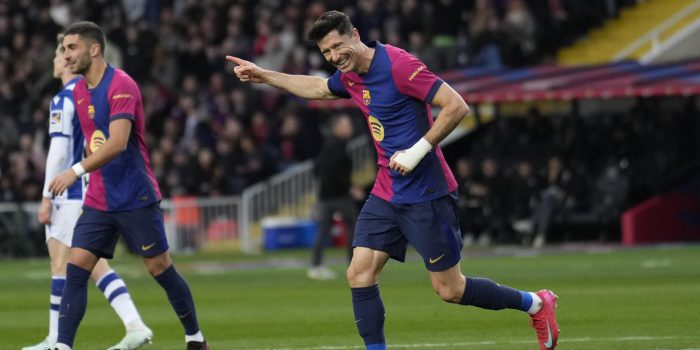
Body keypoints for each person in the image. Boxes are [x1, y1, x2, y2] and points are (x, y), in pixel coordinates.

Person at [226, 10, 559, 350]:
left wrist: (417, 151)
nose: (334, 57)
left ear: (355, 34)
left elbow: (456, 106)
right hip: (387, 190)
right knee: (359, 274)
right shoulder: (350, 75)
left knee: (450, 290)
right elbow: (319, 88)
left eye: (338, 46)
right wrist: (264, 75)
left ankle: (535, 303)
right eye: (326, 53)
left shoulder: (399, 65)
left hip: (427, 192)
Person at [48, 21, 208, 350]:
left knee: (159, 267)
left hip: (135, 194)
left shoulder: (121, 84)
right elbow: (93, 141)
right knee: (76, 268)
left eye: (71, 48)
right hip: (99, 199)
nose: (65, 55)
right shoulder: (78, 91)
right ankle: (62, 346)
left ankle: (195, 338)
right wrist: (86, 172)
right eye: (63, 49)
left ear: (94, 49)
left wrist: (75, 171)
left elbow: (117, 143)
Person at [24, 33, 153, 350]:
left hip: (67, 193)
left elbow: (58, 151)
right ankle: (58, 338)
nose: (57, 59)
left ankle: (124, 327)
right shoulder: (86, 96)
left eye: (62, 53)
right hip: (86, 188)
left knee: (76, 264)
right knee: (79, 265)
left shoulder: (64, 99)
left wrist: (46, 197)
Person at [308, 113, 363, 280]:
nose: (350, 127)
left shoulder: (329, 145)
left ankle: (316, 266)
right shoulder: (337, 146)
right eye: (346, 124)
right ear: (337, 128)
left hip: (326, 194)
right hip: (338, 195)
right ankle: (353, 265)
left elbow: (317, 168)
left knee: (323, 230)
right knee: (353, 226)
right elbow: (335, 171)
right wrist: (350, 187)